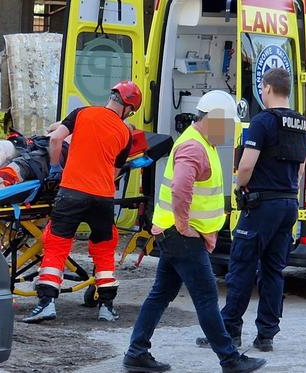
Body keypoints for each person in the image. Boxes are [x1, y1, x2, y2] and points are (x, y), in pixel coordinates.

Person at [122, 90, 266, 373]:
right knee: (206, 298)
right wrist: (185, 226)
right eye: (226, 126)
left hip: (174, 234)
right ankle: (230, 359)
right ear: (212, 119)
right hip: (182, 237)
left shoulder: (199, 142)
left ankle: (137, 352)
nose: (228, 133)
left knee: (160, 294)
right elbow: (181, 188)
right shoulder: (194, 146)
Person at [22, 81, 140, 323]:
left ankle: (47, 303)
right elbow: (115, 171)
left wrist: (55, 168)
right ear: (128, 108)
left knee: (56, 244)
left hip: (72, 191)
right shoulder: (125, 133)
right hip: (103, 197)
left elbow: (55, 139)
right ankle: (107, 307)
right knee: (105, 249)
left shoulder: (82, 113)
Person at [217, 67, 306, 353]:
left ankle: (229, 331)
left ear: (266, 89)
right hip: (288, 203)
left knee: (242, 267)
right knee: (273, 270)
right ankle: (266, 335)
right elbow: (301, 169)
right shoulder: (300, 123)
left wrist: (239, 185)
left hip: (261, 205)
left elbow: (246, 166)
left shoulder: (262, 121)